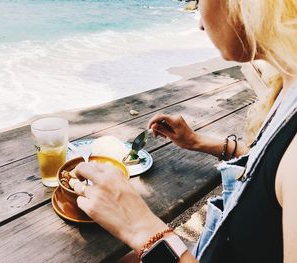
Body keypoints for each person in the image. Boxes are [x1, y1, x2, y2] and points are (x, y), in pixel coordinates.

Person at [72, 0, 297, 262]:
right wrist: (199, 142)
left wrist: (145, 231)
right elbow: (271, 174)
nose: (201, 23)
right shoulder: (288, 87)